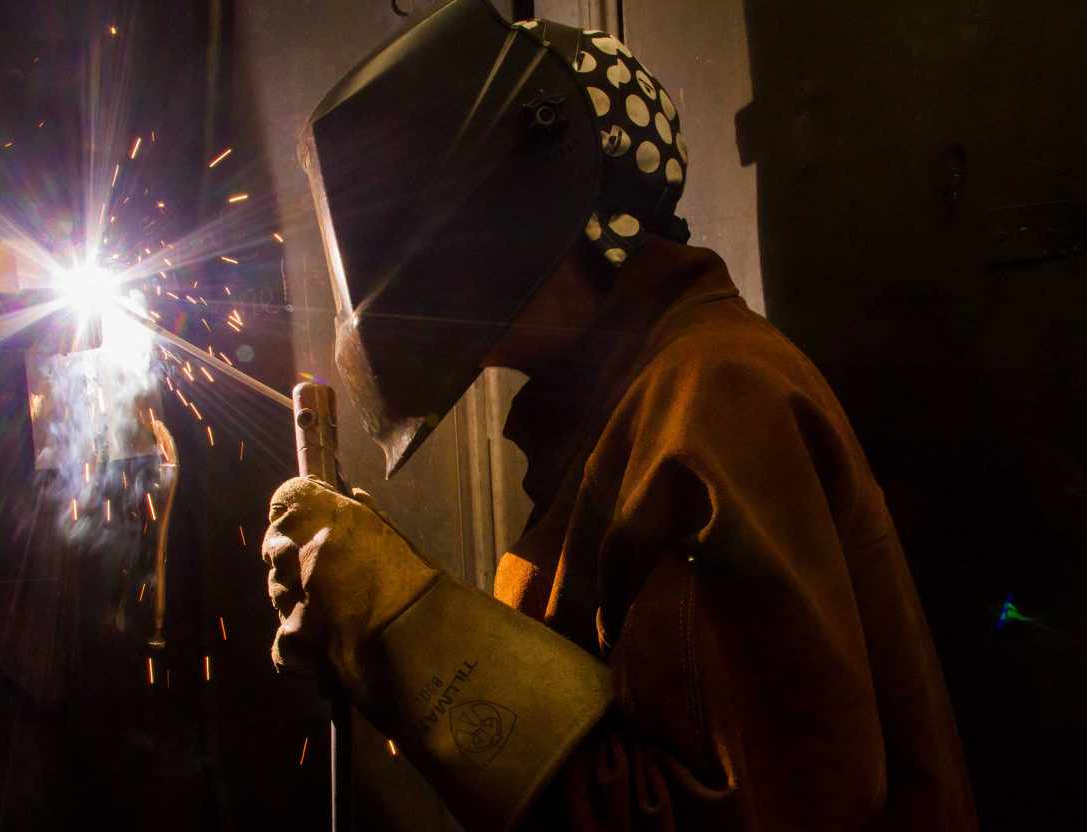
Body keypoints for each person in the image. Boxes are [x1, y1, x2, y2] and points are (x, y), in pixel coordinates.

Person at [263, 2, 979, 830]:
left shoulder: (715, 399)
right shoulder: (619, 412)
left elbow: (721, 816)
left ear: (526, 200)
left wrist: (403, 630)